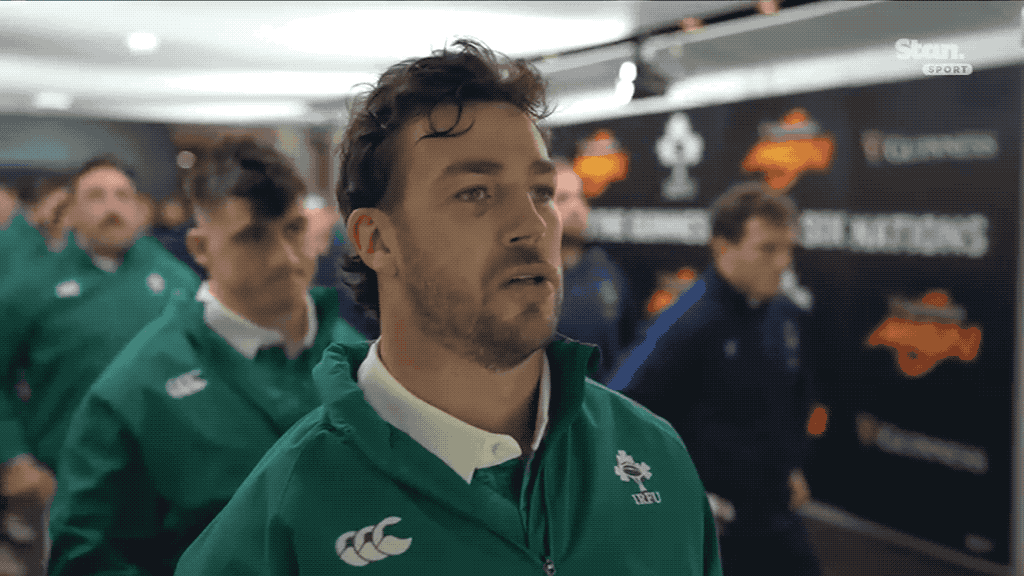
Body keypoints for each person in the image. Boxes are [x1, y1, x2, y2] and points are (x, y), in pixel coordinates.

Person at [175, 39, 722, 576]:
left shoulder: (652, 454)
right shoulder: (287, 518)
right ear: (376, 240)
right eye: (476, 193)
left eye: (540, 191)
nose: (532, 225)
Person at [47, 138, 367, 576]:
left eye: (293, 229)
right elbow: (86, 559)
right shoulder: (134, 393)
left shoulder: (359, 359)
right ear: (200, 248)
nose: (286, 258)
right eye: (253, 237)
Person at [620, 181, 822, 576]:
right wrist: (680, 498)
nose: (783, 263)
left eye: (788, 249)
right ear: (722, 247)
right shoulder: (683, 322)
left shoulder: (784, 315)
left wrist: (791, 466)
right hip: (712, 526)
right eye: (768, 249)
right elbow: (620, 409)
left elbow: (792, 399)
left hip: (775, 511)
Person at [552, 159, 637, 383]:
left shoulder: (605, 268)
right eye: (562, 198)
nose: (576, 208)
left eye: (580, 197)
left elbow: (629, 342)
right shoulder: (528, 277)